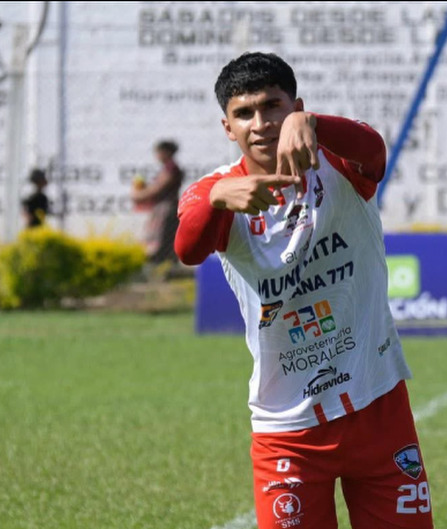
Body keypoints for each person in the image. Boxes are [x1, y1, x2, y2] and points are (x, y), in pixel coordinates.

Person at [174, 52, 433, 529]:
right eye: (244, 113)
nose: (260, 123)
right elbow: (188, 248)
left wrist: (314, 124)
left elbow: (374, 149)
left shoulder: (337, 161)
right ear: (228, 128)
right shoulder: (215, 192)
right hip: (287, 428)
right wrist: (214, 201)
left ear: (296, 105)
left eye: (273, 106)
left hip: (378, 403)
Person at [131, 140, 184, 265]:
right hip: (162, 208)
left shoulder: (171, 169)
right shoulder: (167, 168)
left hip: (166, 208)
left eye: (159, 152)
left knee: (160, 238)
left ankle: (162, 266)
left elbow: (158, 188)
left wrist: (139, 195)